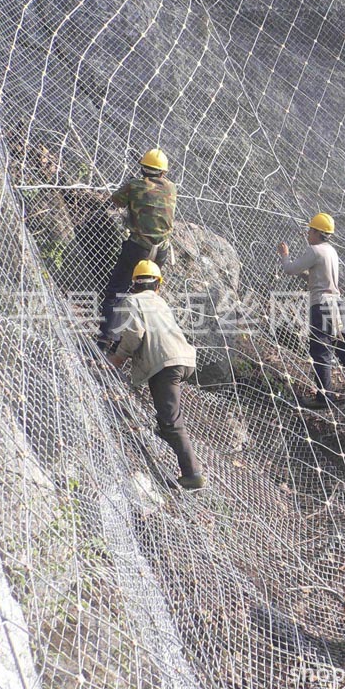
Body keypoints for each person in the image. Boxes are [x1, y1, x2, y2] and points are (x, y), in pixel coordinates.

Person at [108, 260, 206, 490]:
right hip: (181, 359)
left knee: (172, 422)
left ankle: (193, 474)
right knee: (166, 418)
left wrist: (118, 358)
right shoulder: (161, 302)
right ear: (158, 285)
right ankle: (164, 433)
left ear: (134, 284)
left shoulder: (131, 301)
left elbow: (134, 334)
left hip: (165, 365)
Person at [278, 212, 345, 408]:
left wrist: (285, 256)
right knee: (343, 347)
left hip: (321, 306)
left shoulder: (314, 250)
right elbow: (317, 277)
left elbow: (290, 269)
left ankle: (324, 397)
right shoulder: (330, 251)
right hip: (336, 304)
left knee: (320, 351)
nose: (308, 233)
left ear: (317, 232)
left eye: (310, 230)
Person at [99, 147, 177, 345]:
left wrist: (130, 186)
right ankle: (141, 341)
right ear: (163, 172)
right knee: (147, 296)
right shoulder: (171, 188)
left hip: (137, 248)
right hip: (161, 251)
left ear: (143, 168)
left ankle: (107, 339)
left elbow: (115, 201)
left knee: (117, 291)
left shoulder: (134, 185)